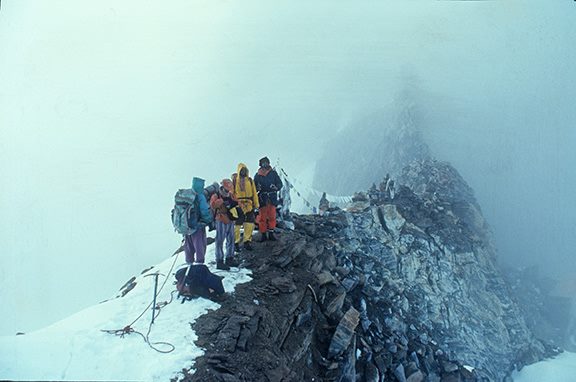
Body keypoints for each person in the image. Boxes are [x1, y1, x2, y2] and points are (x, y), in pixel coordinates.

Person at [210, 179, 240, 270]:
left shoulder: (230, 195)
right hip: (220, 218)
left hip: (229, 218)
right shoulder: (216, 195)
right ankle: (220, 261)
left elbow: (237, 202)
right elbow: (213, 206)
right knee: (220, 240)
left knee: (231, 238)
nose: (228, 190)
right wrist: (220, 202)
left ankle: (229, 258)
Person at [254, 156, 283, 242]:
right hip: (263, 198)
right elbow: (254, 187)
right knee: (262, 217)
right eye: (263, 163)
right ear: (261, 164)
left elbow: (279, 184)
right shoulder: (257, 175)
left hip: (272, 197)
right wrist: (257, 188)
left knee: (272, 216)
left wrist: (276, 187)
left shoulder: (273, 173)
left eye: (266, 162)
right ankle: (263, 234)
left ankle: (271, 233)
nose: (265, 164)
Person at [184, 177, 213, 264]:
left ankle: (189, 265)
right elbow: (204, 210)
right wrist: (209, 220)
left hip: (186, 226)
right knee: (199, 246)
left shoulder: (187, 195)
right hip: (197, 226)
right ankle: (199, 265)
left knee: (188, 247)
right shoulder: (200, 196)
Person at [232, 163, 259, 251]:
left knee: (249, 223)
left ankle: (247, 241)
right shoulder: (235, 180)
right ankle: (235, 243)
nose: (243, 172)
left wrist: (256, 204)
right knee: (237, 224)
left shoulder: (250, 181)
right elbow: (232, 193)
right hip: (239, 204)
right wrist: (236, 203)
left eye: (244, 170)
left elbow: (254, 192)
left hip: (249, 204)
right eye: (241, 170)